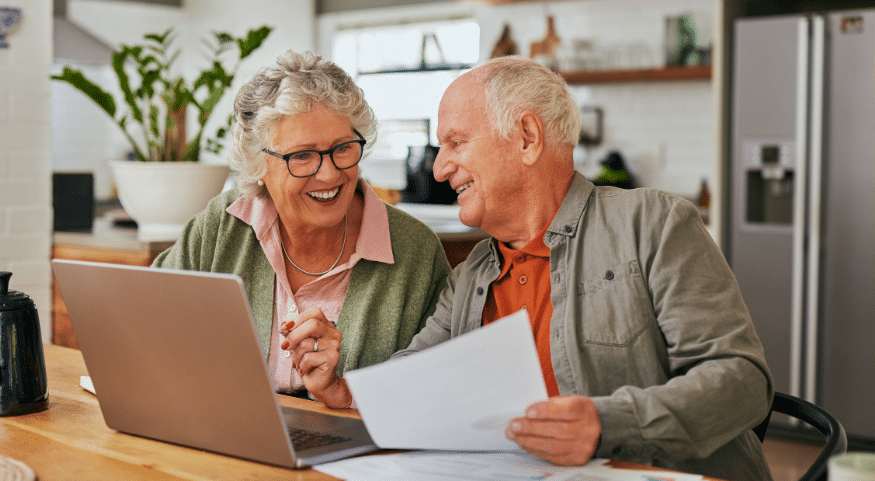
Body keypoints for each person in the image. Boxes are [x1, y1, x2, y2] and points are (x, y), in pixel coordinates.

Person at [394, 56, 774, 480]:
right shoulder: (472, 273)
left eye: (456, 142)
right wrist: (342, 389)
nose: (440, 167)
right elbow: (410, 379)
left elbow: (741, 384)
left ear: (526, 137)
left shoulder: (652, 224)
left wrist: (606, 424)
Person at [153, 50, 451, 409]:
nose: (328, 174)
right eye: (302, 156)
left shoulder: (415, 250)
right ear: (257, 164)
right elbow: (146, 323)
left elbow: (440, 392)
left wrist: (342, 389)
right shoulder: (223, 224)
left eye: (342, 148)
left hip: (360, 458)